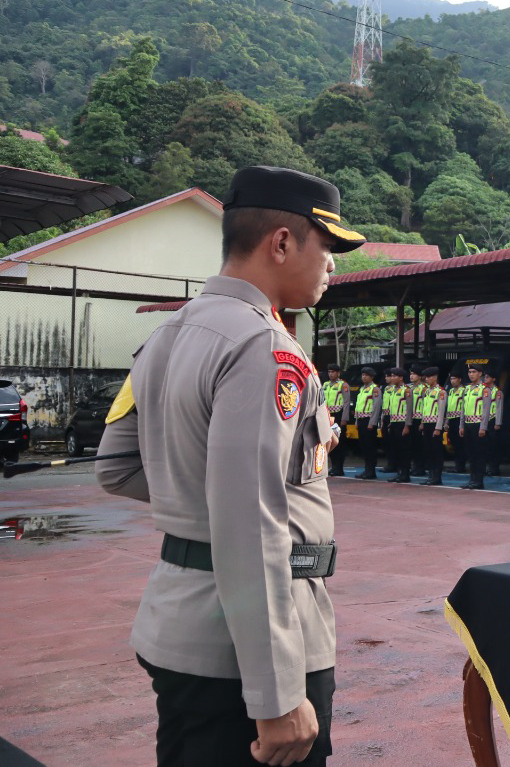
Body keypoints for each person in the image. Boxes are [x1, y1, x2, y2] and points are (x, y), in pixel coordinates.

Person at [95, 163, 364, 766]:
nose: (332, 264)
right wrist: (275, 698)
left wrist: (198, 498)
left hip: (180, 623)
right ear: (283, 242)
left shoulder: (164, 338)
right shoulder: (262, 347)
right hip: (249, 649)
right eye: (327, 247)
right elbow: (249, 518)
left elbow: (116, 466)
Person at [380, 367, 413, 483]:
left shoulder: (407, 390)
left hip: (402, 422)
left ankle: (405, 474)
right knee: (396, 449)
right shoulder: (393, 390)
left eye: (394, 376)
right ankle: (400, 472)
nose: (392, 378)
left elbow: (409, 409)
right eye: (391, 376)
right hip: (393, 422)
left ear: (401, 378)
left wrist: (407, 425)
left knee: (404, 449)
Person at [415, 367, 446, 486]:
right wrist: (422, 422)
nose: (426, 379)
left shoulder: (441, 392)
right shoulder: (426, 391)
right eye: (425, 377)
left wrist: (438, 428)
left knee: (436, 451)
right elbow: (424, 408)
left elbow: (441, 411)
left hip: (435, 424)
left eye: (428, 377)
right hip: (427, 423)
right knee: (428, 450)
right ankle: (431, 475)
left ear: (435, 377)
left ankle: (437, 476)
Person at [461, 365, 489, 489]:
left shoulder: (484, 389)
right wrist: (461, 425)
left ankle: (479, 480)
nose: (471, 374)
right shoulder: (466, 389)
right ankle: (472, 479)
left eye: (474, 372)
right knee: (470, 453)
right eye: (469, 372)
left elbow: (486, 410)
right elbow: (463, 409)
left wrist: (483, 427)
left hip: (478, 424)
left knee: (479, 454)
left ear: (480, 374)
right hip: (467, 424)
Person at [322, 365, 351, 477]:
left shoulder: (343, 385)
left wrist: (344, 418)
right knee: (329, 441)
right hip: (327, 415)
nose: (330, 374)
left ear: (338, 373)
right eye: (329, 372)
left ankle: (339, 467)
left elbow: (346, 402)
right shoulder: (325, 385)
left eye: (333, 372)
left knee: (339, 441)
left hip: (338, 415)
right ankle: (333, 466)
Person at [353, 366, 381, 479]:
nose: (363, 377)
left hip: (368, 420)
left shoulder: (375, 389)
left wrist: (372, 422)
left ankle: (371, 471)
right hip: (361, 419)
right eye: (363, 375)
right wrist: (356, 420)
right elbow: (358, 406)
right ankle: (367, 470)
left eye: (366, 375)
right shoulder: (362, 389)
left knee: (370, 446)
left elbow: (376, 407)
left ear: (372, 377)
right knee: (364, 446)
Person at [444, 371, 467, 475]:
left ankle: (460, 466)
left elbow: (464, 407)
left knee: (460, 444)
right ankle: (457, 464)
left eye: (454, 379)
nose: (452, 381)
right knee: (453, 442)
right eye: (451, 379)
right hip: (451, 419)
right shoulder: (451, 391)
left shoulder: (463, 391)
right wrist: (446, 421)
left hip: (459, 419)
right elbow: (449, 407)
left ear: (460, 379)